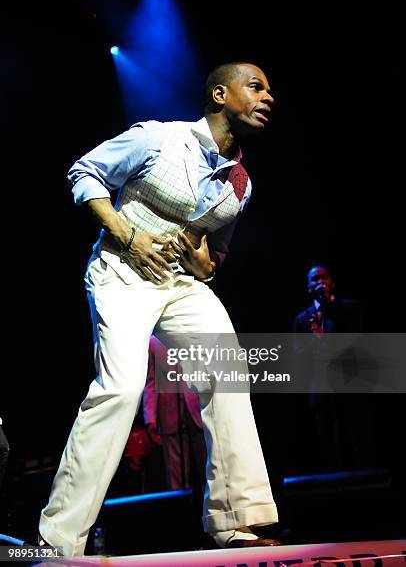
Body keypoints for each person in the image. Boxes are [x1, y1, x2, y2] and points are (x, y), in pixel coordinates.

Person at [39, 62, 280, 556]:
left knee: (226, 370)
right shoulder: (159, 139)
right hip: (121, 272)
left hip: (179, 286)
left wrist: (203, 261)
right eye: (256, 87)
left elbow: (216, 260)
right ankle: (58, 540)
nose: (268, 97)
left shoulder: (241, 183)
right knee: (121, 390)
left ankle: (236, 519)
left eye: (269, 90)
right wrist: (129, 234)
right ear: (220, 94)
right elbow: (83, 173)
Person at [293, 265, 372, 470]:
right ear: (308, 287)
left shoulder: (350, 308)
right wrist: (314, 343)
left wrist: (331, 309)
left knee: (356, 436)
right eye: (314, 279)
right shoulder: (302, 320)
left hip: (349, 383)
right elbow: (297, 356)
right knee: (327, 439)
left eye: (324, 277)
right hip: (320, 387)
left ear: (332, 282)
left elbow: (358, 341)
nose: (320, 282)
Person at [143, 335, 206, 491]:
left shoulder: (192, 334)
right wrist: (150, 418)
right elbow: (151, 380)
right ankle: (179, 508)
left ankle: (212, 506)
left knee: (207, 465)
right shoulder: (153, 342)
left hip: (197, 407)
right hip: (169, 411)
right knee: (175, 476)